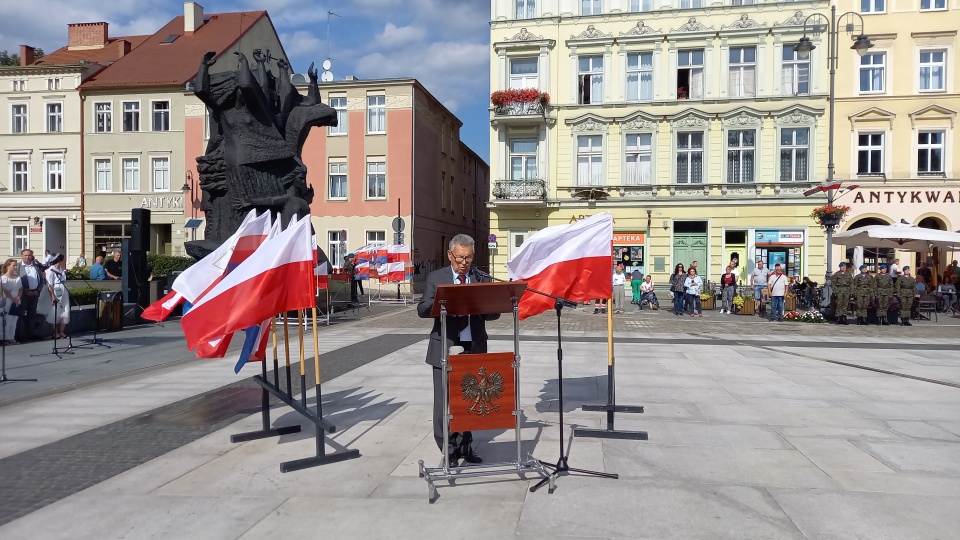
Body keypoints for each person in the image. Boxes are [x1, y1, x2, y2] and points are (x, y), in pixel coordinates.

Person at [417, 234, 497, 466]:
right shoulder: (436, 277)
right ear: (450, 255)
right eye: (460, 257)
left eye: (469, 258)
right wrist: (444, 302)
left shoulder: (481, 278)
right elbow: (422, 308)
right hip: (445, 346)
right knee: (445, 402)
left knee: (470, 400)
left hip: (473, 347)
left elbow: (493, 313)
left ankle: (466, 446)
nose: (464, 262)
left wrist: (486, 303)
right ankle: (448, 450)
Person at [16, 249, 46, 342]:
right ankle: (20, 336)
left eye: (29, 255)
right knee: (20, 315)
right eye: (25, 255)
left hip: (35, 294)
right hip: (23, 295)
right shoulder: (18, 267)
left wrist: (38, 290)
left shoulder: (36, 266)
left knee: (32, 315)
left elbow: (42, 279)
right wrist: (26, 291)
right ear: (21, 256)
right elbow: (17, 281)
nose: (27, 257)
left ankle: (32, 334)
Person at [38, 253, 70, 339]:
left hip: (64, 291)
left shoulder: (61, 270)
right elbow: (50, 285)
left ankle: (62, 331)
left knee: (65, 311)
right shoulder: (50, 271)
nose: (62, 263)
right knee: (55, 311)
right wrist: (52, 297)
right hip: (56, 291)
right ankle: (55, 332)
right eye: (61, 261)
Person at [1, 259, 22, 345]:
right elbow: (5, 290)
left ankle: (11, 337)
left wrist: (18, 298)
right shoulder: (4, 278)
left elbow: (20, 289)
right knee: (7, 320)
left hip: (16, 299)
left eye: (16, 265)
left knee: (14, 320)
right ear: (8, 266)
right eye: (13, 265)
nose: (15, 267)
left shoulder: (17, 277)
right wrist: (13, 299)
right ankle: (5, 338)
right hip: (8, 299)